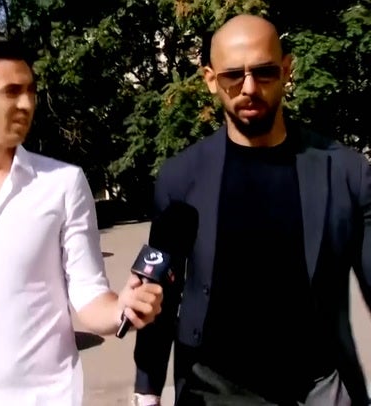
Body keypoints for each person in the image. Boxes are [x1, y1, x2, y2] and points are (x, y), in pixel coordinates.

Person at [0, 33, 164, 406]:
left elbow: (89, 295)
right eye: (11, 92)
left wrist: (124, 307)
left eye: (31, 91)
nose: (26, 104)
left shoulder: (63, 184)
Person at [132, 14, 371, 406]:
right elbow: (159, 290)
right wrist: (147, 390)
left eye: (264, 72)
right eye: (233, 75)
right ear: (211, 79)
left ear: (286, 70)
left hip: (319, 385)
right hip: (215, 387)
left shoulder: (345, 170)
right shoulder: (181, 177)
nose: (249, 88)